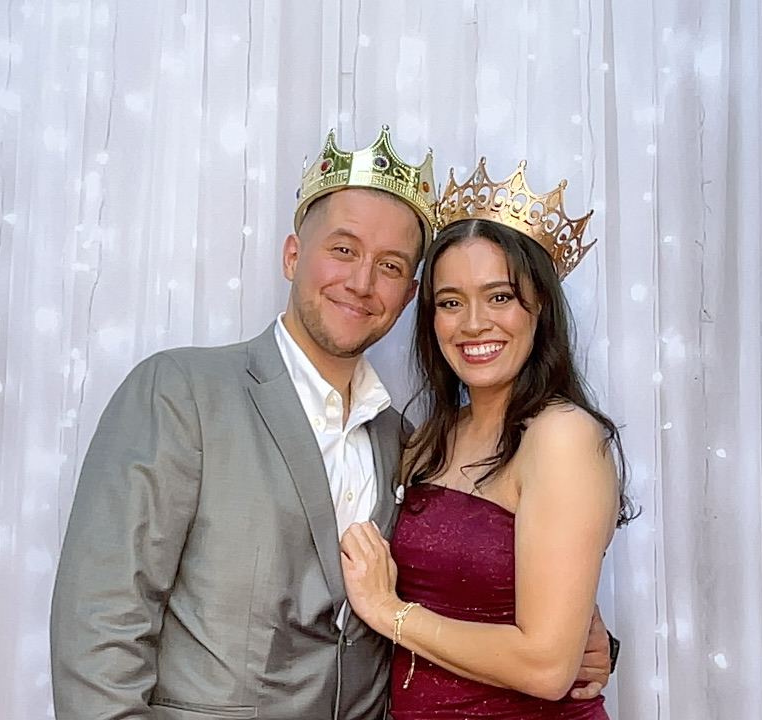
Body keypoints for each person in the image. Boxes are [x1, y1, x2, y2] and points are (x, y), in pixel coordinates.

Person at [50, 130, 615, 720]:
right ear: (293, 254)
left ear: (408, 296)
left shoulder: (401, 439)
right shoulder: (182, 394)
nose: (362, 282)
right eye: (343, 250)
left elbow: (484, 581)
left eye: (391, 265)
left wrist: (582, 631)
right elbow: (100, 627)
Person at [340, 158, 635, 719]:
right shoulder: (424, 441)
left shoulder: (562, 437)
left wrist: (389, 611)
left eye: (499, 296)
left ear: (540, 305)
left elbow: (547, 669)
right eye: (451, 302)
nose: (474, 323)